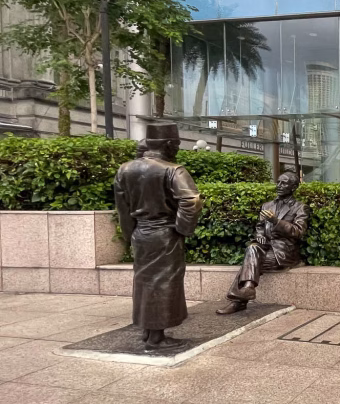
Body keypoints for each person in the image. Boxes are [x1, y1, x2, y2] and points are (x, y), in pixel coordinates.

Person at [114, 123, 202, 349]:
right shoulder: (173, 170)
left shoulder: (125, 170)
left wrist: (130, 234)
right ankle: (156, 337)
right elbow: (191, 200)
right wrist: (182, 229)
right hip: (164, 234)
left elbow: (123, 209)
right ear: (169, 144)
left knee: (144, 282)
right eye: (177, 144)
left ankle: (147, 330)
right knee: (163, 283)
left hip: (141, 233)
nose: (178, 149)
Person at [217, 171, 310, 315]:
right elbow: (260, 227)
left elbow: (298, 232)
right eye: (278, 182)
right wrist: (260, 235)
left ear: (293, 187)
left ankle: (238, 301)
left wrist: (276, 221)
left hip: (283, 251)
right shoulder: (267, 205)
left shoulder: (299, 207)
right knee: (252, 249)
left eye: (284, 183)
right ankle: (248, 288)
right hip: (264, 246)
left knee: (251, 261)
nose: (279, 185)